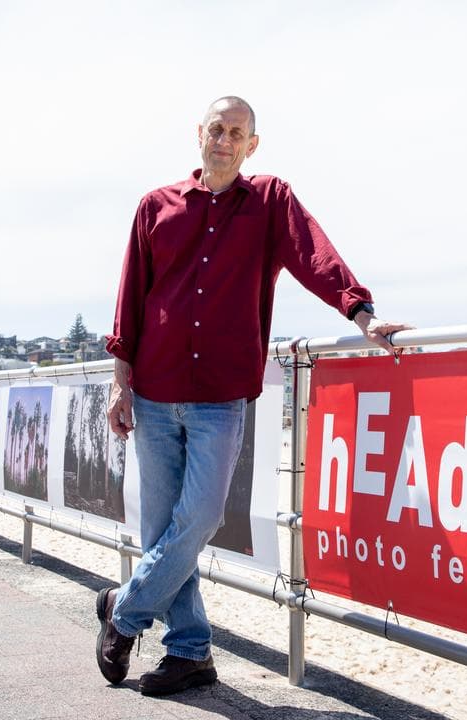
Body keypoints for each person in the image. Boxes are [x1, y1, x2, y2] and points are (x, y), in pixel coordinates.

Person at [99, 96, 410, 696]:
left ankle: (123, 611)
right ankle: (189, 652)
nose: (224, 139)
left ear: (252, 146)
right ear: (199, 134)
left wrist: (362, 314)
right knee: (163, 529)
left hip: (220, 397)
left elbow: (316, 257)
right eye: (216, 128)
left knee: (202, 518)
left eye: (236, 132)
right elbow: (129, 298)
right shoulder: (154, 207)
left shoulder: (270, 202)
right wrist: (121, 383)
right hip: (155, 394)